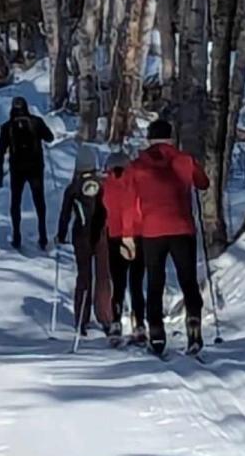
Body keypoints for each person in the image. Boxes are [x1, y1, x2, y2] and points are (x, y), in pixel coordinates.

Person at [120, 119, 209, 356]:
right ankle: (194, 328)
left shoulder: (137, 166)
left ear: (149, 139)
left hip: (152, 231)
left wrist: (128, 235)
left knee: (155, 283)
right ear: (171, 138)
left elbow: (129, 203)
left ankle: (157, 334)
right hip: (182, 228)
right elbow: (203, 183)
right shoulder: (184, 160)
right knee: (188, 280)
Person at [56, 147, 112, 337]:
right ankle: (105, 317)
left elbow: (65, 214)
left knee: (84, 276)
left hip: (81, 235)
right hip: (102, 235)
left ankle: (81, 318)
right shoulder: (103, 184)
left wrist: (60, 236)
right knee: (103, 276)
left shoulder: (73, 187)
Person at [0, 96, 54, 250]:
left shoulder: (7, 127)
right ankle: (43, 237)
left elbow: (0, 151)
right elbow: (50, 138)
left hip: (17, 169)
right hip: (35, 168)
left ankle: (16, 237)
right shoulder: (36, 122)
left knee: (16, 202)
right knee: (39, 202)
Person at [102, 151, 146, 345]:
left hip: (115, 237)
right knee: (137, 283)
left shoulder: (106, 186)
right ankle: (139, 324)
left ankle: (116, 322)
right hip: (139, 236)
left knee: (118, 283)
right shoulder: (137, 184)